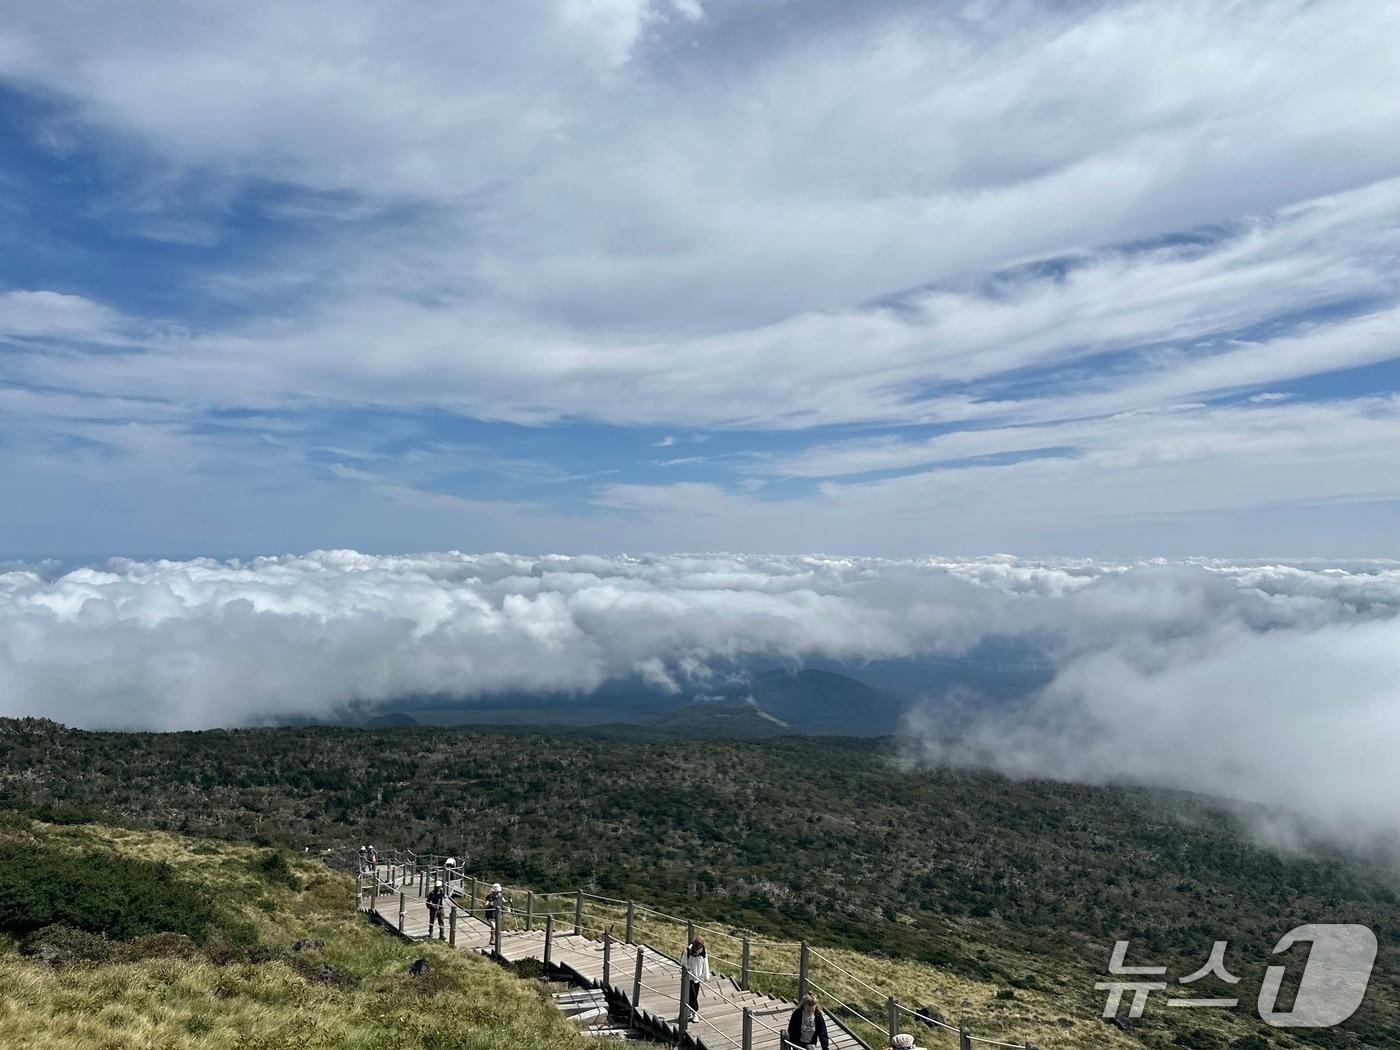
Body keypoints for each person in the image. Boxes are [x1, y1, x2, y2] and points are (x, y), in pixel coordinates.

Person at [679, 936, 709, 1022]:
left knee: (694, 995)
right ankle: (695, 1013)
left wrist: (706, 975)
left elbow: (705, 963)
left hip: (697, 978)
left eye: (700, 947)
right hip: (689, 978)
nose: (698, 950)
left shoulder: (703, 952)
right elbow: (683, 963)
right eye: (697, 948)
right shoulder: (687, 951)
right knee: (693, 996)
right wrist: (688, 971)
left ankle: (688, 1010)